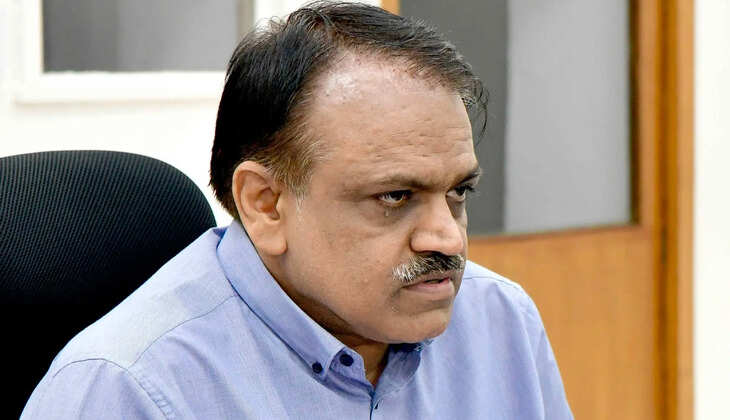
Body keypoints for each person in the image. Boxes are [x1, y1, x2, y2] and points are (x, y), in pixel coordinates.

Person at [22, 2, 572, 419]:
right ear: (266, 205)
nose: (447, 239)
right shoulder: (125, 390)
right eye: (395, 197)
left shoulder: (500, 319)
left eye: (458, 192)